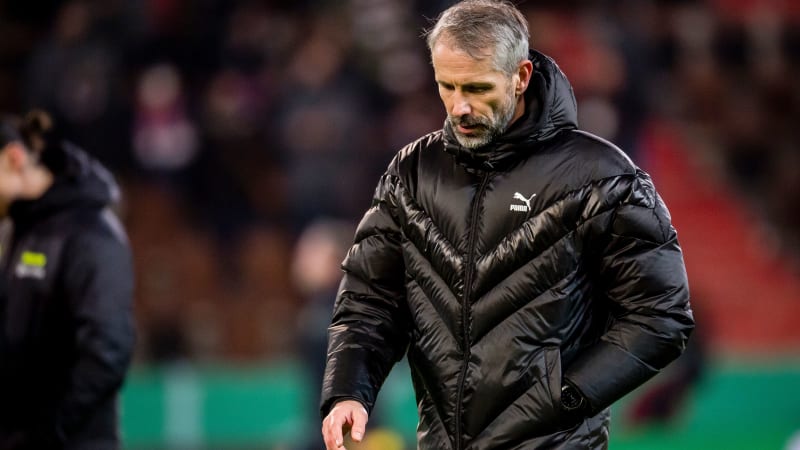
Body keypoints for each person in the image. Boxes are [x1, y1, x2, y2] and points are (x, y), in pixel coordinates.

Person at [320, 1, 696, 449]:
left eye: (477, 88)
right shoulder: (413, 172)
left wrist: (566, 398)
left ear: (520, 77)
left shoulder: (602, 176)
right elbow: (369, 299)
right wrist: (348, 389)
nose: (459, 107)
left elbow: (661, 316)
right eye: (447, 86)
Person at [0, 110, 136, 450]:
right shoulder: (22, 229)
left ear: (13, 159)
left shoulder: (91, 232)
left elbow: (108, 347)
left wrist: (48, 432)